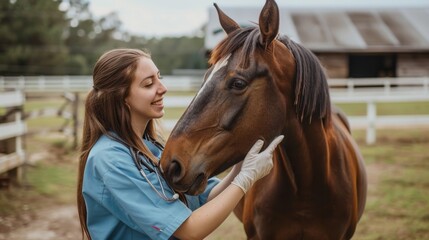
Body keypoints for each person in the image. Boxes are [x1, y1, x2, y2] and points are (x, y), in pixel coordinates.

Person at [76, 48, 284, 240]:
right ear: (122, 97)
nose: (163, 88)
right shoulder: (111, 159)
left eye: (159, 78)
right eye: (148, 84)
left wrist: (242, 166)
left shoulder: (151, 147)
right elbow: (190, 230)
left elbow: (206, 198)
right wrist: (245, 180)